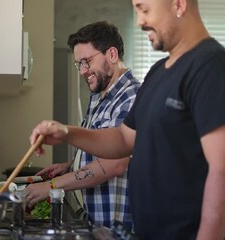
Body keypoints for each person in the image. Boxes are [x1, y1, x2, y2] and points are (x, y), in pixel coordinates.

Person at [28, 0, 225, 239]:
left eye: (145, 9)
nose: (140, 21)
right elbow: (123, 138)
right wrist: (67, 132)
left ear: (178, 4)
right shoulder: (159, 72)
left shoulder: (214, 67)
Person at [23, 21, 141, 228]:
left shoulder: (130, 97)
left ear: (112, 55)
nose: (83, 71)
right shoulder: (99, 95)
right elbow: (101, 145)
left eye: (87, 61)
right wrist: (71, 164)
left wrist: (51, 186)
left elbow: (115, 164)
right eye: (79, 64)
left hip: (117, 227)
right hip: (96, 221)